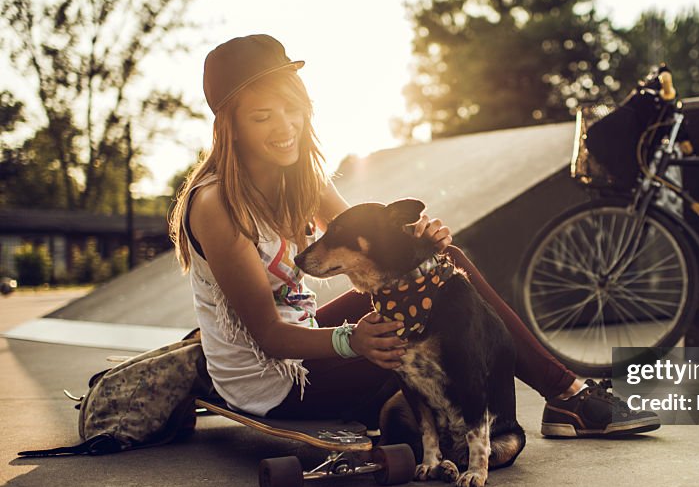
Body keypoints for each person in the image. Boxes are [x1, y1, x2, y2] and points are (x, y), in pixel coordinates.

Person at [169, 34, 660, 438]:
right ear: (228, 125)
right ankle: (553, 397)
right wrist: (350, 342)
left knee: (446, 266)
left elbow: (375, 243)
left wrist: (418, 240)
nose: (285, 127)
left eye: (291, 109)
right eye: (262, 117)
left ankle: (564, 394)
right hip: (270, 377)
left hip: (311, 335)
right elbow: (269, 337)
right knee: (417, 336)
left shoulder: (299, 180)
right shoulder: (216, 205)